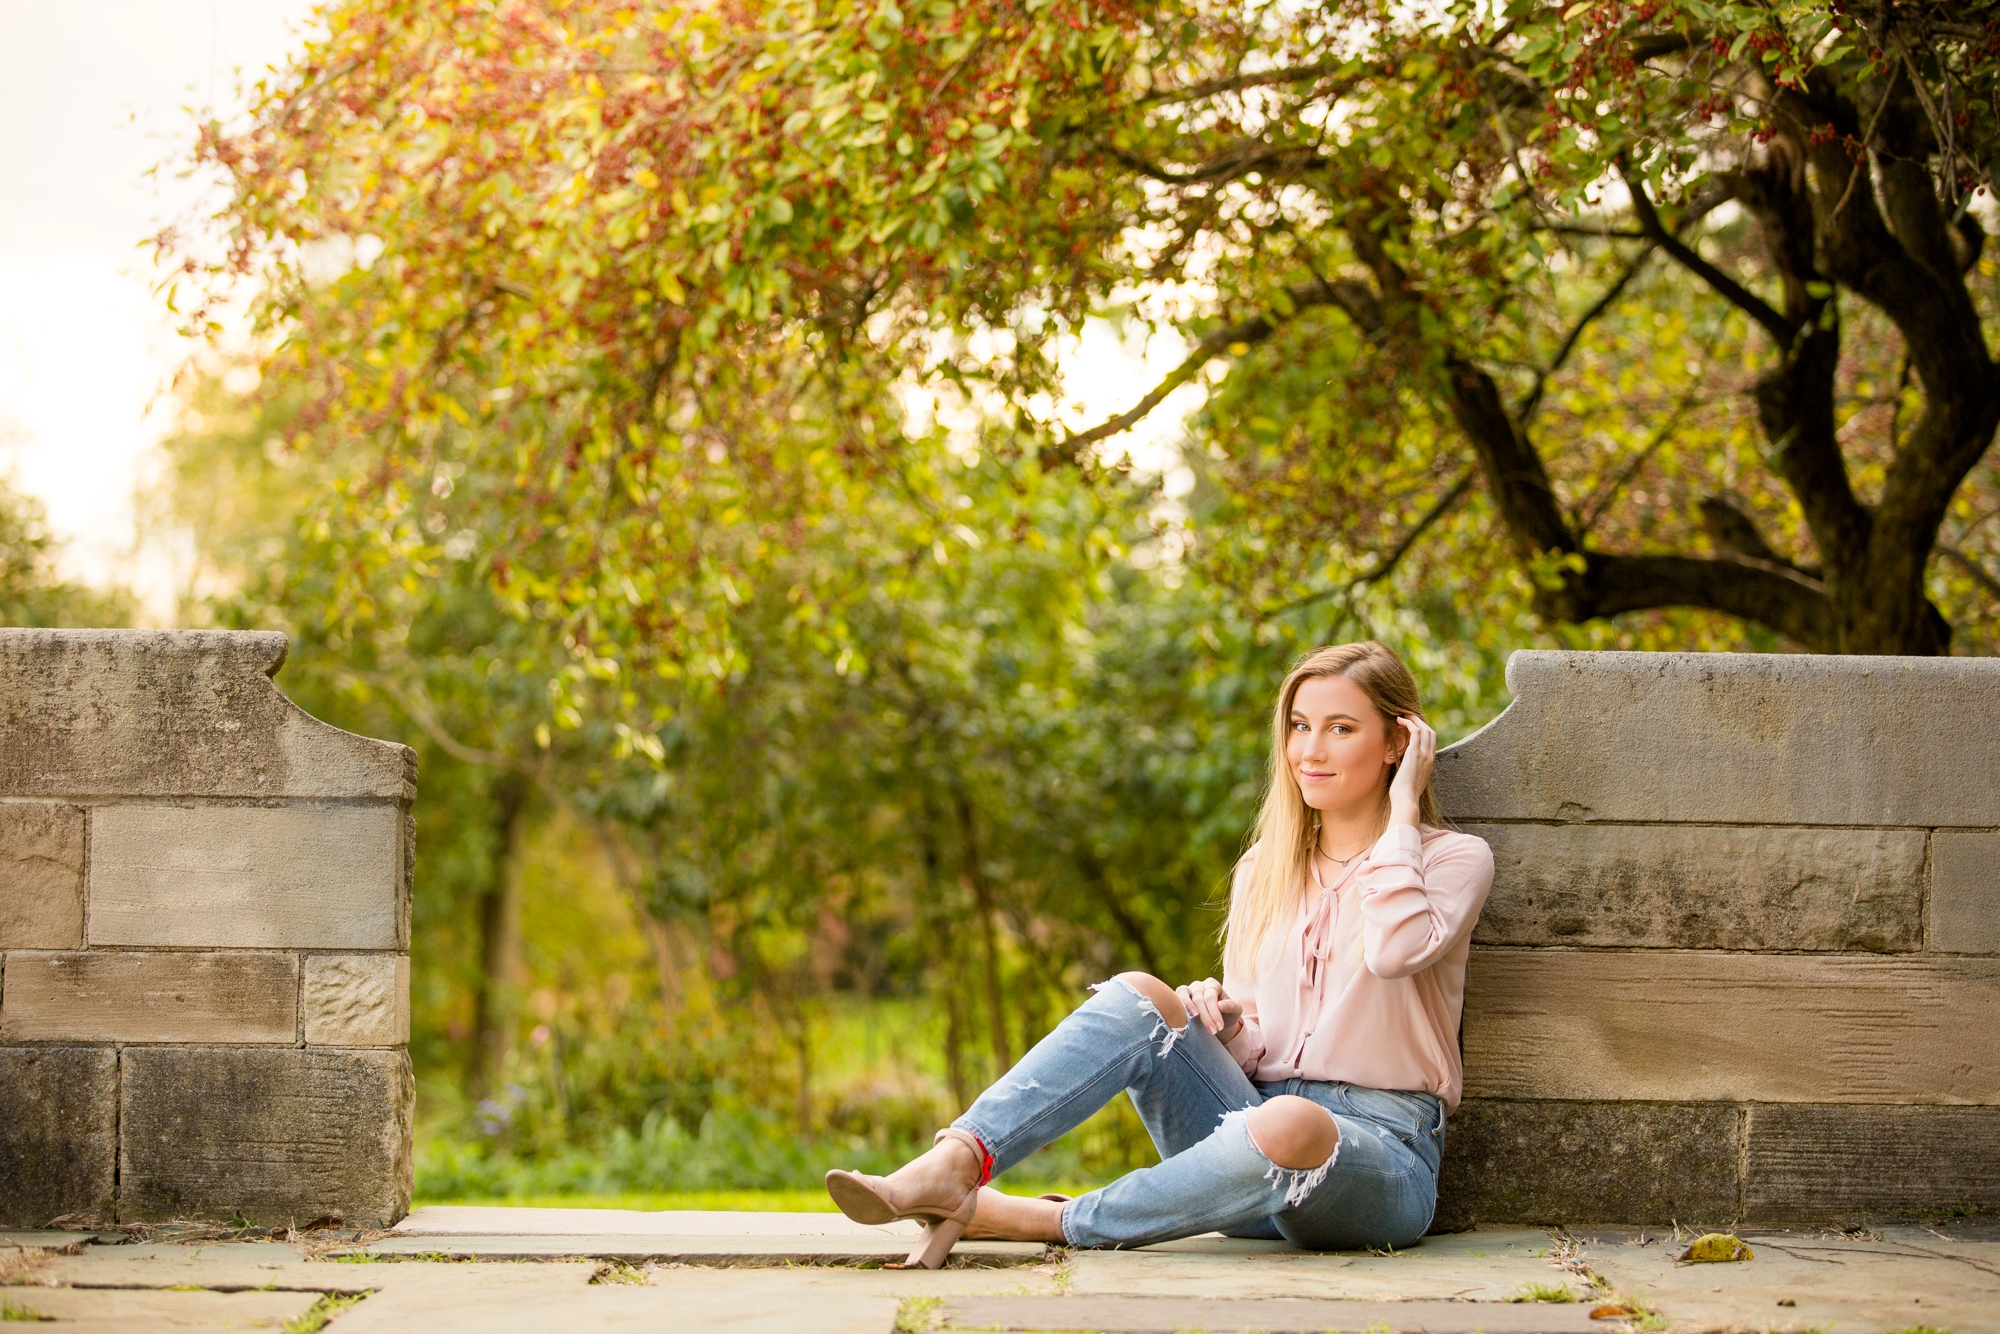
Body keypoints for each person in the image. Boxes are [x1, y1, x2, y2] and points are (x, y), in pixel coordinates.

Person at [825, 641, 1495, 1267]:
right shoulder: (1266, 868)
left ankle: (1038, 1220)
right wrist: (1230, 1025)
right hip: (1248, 1141)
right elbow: (1267, 1035)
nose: (1310, 750)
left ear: (1398, 743)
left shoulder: (1453, 860)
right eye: (1298, 725)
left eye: (1341, 728)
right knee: (1141, 995)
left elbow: (1394, 950)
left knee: (1289, 1122)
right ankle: (960, 1161)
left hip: (1374, 1162)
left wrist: (1404, 811)